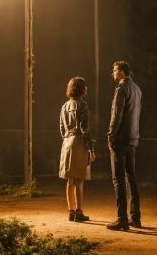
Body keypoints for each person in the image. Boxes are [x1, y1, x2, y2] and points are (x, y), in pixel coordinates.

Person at [106, 61, 143, 231]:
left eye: (114, 70)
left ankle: (122, 219)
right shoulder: (137, 89)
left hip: (121, 138)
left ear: (121, 72)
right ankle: (135, 217)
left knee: (118, 178)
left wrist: (111, 136)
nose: (112, 73)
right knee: (132, 177)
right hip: (133, 137)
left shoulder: (121, 89)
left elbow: (116, 114)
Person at [59, 77, 96, 222]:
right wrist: (91, 148)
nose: (86, 89)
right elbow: (85, 129)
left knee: (70, 180)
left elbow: (62, 128)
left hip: (67, 142)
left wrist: (67, 137)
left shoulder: (64, 106)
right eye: (85, 87)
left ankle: (71, 211)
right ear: (81, 89)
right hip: (79, 142)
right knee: (80, 180)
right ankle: (79, 212)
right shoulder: (83, 105)